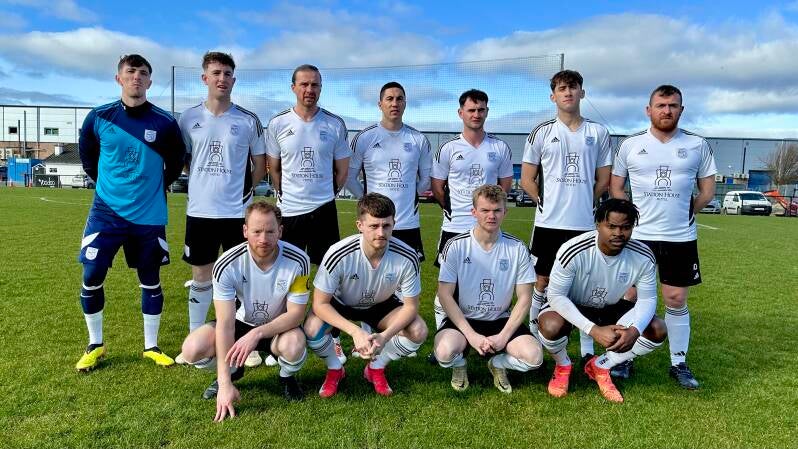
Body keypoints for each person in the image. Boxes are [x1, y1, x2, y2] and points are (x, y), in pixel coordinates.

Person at [75, 54, 185, 371]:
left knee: (150, 278)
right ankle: (94, 344)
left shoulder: (164, 122)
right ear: (119, 78)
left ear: (149, 81)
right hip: (106, 214)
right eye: (130, 71)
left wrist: (151, 187)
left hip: (148, 215)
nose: (136, 77)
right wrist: (111, 188)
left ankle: (151, 346)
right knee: (92, 274)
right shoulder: (99, 117)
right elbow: (89, 160)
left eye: (143, 73)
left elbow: (175, 164)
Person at [610, 85, 717, 390]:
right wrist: (629, 216)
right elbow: (617, 186)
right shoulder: (631, 145)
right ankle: (624, 356)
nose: (667, 110)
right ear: (649, 110)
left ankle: (679, 363)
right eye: (661, 105)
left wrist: (686, 211)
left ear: (681, 110)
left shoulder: (697, 145)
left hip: (679, 237)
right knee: (630, 296)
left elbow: (707, 191)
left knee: (675, 298)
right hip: (639, 238)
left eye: (673, 105)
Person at [175, 51, 267, 367]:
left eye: (227, 73)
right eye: (216, 73)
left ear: (234, 79)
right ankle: (194, 342)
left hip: (235, 214)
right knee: (201, 276)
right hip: (199, 211)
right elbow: (184, 160)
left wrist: (244, 190)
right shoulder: (187, 119)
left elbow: (260, 164)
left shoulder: (247, 120)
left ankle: (247, 344)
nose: (222, 79)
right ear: (205, 78)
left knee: (243, 278)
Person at [180, 201, 310, 421]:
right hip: (239, 324)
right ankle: (232, 372)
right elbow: (225, 324)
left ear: (280, 230)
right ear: (245, 231)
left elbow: (296, 314)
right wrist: (224, 384)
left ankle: (286, 377)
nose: (263, 239)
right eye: (257, 231)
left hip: (277, 328)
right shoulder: (227, 264)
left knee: (295, 345)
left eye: (270, 231)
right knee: (192, 349)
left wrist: (257, 333)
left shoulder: (299, 260)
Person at [538, 198, 667, 403]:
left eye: (625, 227)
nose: (618, 233)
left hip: (611, 306)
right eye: (611, 226)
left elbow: (648, 298)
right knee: (550, 326)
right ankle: (563, 365)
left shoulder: (643, 255)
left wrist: (634, 330)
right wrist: (594, 330)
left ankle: (601, 365)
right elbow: (555, 295)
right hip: (573, 304)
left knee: (657, 329)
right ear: (598, 224)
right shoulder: (573, 250)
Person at [520, 70, 612, 356]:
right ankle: (534, 334)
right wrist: (543, 201)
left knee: (583, 286)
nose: (568, 93)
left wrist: (585, 201)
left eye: (573, 88)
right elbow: (526, 178)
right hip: (549, 223)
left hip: (584, 225)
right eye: (562, 89)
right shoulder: (542, 132)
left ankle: (586, 348)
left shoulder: (598, 133)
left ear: (582, 93)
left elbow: (604, 180)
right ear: (553, 96)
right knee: (541, 280)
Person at [303, 193, 428, 397]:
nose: (381, 233)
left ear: (394, 223)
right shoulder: (339, 253)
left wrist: (385, 337)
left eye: (386, 226)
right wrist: (355, 332)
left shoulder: (407, 256)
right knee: (311, 329)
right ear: (359, 225)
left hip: (381, 305)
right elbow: (319, 303)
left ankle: (376, 367)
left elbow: (411, 307)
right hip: (342, 304)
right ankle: (335, 368)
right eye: (373, 226)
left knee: (418, 330)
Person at [266, 64, 351, 365]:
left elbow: (342, 169)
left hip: (323, 210)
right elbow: (273, 168)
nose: (309, 90)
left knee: (332, 276)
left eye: (315, 85)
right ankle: (281, 336)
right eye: (304, 84)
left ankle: (335, 338)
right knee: (287, 275)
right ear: (293, 87)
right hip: (289, 213)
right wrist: (285, 194)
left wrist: (327, 194)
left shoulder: (334, 124)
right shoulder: (278, 123)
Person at [434, 185, 543, 393]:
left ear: (505, 212)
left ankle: (498, 364)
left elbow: (524, 298)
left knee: (534, 358)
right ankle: (460, 364)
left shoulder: (517, 248)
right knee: (444, 353)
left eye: (497, 210)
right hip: (465, 318)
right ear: (473, 212)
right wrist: (472, 336)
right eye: (485, 210)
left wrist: (503, 337)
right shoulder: (455, 245)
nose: (491, 216)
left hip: (500, 319)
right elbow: (445, 295)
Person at [430, 89, 514, 334]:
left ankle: (487, 329)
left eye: (481, 110)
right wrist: (453, 211)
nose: (476, 114)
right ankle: (442, 333)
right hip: (454, 227)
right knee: (448, 284)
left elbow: (505, 184)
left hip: (486, 228)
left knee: (484, 280)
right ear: (461, 113)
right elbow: (437, 187)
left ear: (487, 111)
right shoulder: (447, 148)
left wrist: (488, 211)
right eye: (471, 110)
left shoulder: (499, 147)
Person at [346, 81, 432, 262]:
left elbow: (426, 179)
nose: (395, 103)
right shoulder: (364, 138)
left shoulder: (419, 139)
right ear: (380, 104)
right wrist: (367, 200)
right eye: (390, 99)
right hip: (374, 223)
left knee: (408, 280)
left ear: (405, 104)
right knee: (372, 276)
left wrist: (411, 195)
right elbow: (350, 177)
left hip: (408, 223)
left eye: (399, 99)